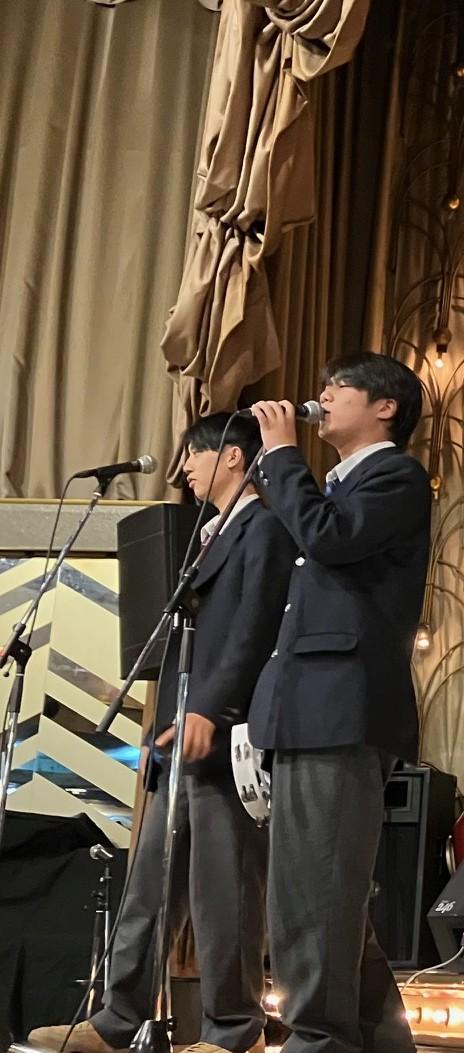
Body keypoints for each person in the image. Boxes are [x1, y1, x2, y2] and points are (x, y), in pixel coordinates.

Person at [28, 413, 294, 1053]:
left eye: (194, 456)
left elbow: (254, 629)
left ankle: (234, 1031)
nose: (185, 470)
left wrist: (212, 709)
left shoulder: (264, 526)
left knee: (225, 890)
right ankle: (116, 1019)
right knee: (148, 884)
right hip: (181, 730)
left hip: (223, 734)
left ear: (233, 457)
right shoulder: (208, 532)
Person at [247, 353, 431, 1053]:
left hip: (344, 707)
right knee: (314, 888)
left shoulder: (396, 476)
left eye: (340, 387)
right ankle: (378, 1040)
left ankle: (320, 1038)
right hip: (304, 706)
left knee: (319, 890)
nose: (322, 396)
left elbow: (331, 538)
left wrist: (280, 456)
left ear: (386, 407)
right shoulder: (334, 483)